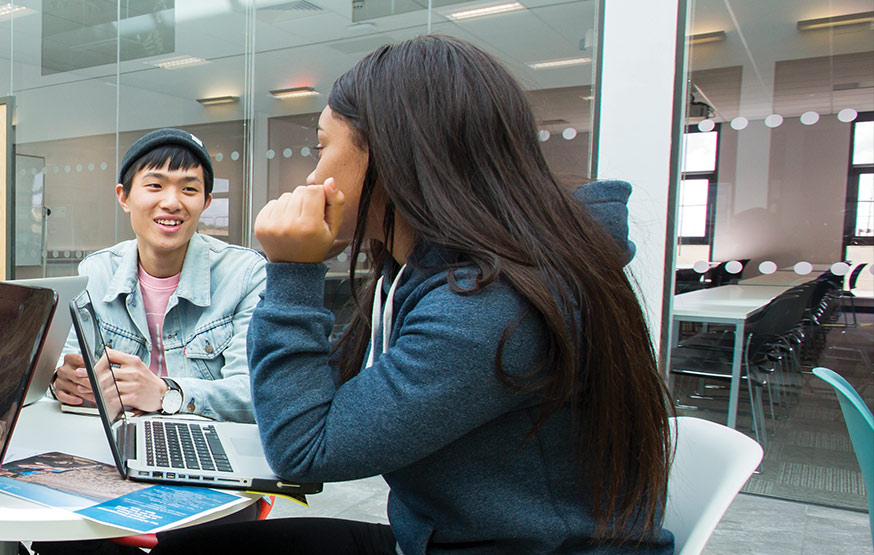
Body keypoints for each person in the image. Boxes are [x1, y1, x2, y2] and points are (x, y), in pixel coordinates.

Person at [152, 35, 675, 554]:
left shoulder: (492, 305)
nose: (313, 175)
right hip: (452, 537)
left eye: (321, 147)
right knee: (192, 546)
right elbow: (326, 394)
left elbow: (307, 449)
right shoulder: (427, 274)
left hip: (520, 548)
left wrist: (292, 271)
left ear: (391, 152)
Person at [50, 128, 268, 424]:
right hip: (113, 442)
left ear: (205, 202)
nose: (172, 202)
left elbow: (256, 395)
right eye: (155, 185)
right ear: (124, 197)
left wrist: (167, 393)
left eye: (189, 189)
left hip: (206, 446)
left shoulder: (244, 274)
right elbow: (66, 366)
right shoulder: (96, 272)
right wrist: (60, 383)